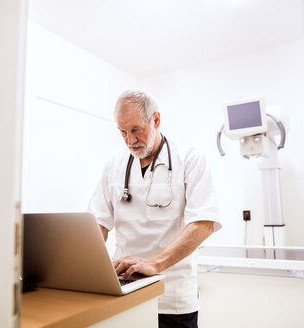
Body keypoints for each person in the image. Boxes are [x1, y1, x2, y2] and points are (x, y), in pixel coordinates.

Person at [88, 89, 221, 328]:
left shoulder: (190, 158)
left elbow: (203, 223)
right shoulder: (114, 164)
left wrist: (155, 263)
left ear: (156, 120)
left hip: (174, 295)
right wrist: (89, 269)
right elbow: (96, 223)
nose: (130, 140)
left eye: (136, 130)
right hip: (126, 292)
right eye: (123, 132)